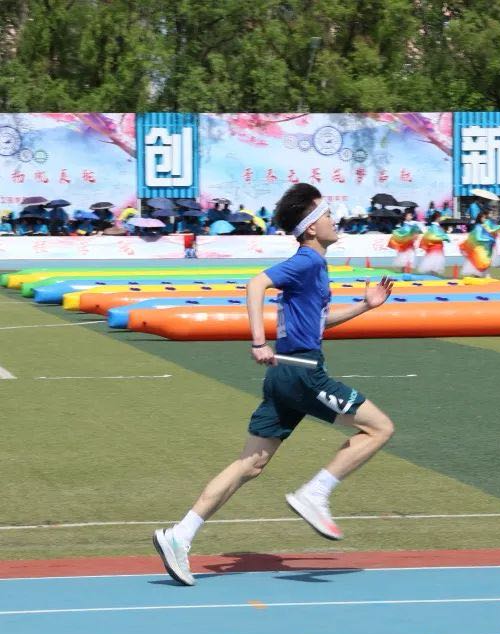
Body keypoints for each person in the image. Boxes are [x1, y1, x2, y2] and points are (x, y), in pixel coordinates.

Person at [153, 183, 395, 586]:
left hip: (285, 373)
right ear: (311, 228)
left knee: (251, 464)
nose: (334, 220)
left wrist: (364, 307)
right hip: (302, 371)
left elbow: (317, 324)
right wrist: (258, 341)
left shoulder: (314, 266)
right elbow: (255, 284)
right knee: (379, 428)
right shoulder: (307, 262)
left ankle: (180, 534)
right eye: (327, 214)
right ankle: (315, 493)